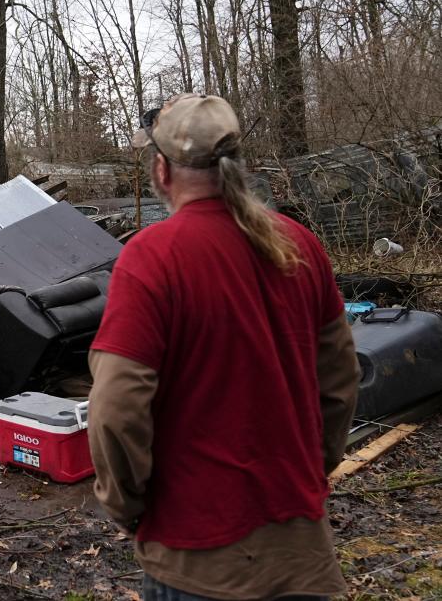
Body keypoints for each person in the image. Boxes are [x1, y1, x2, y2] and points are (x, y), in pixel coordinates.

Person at [87, 93, 360, 601]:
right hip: (300, 551)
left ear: (162, 171)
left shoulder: (152, 258)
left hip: (196, 560)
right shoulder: (299, 245)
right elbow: (341, 381)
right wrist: (310, 469)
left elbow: (116, 409)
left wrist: (125, 504)